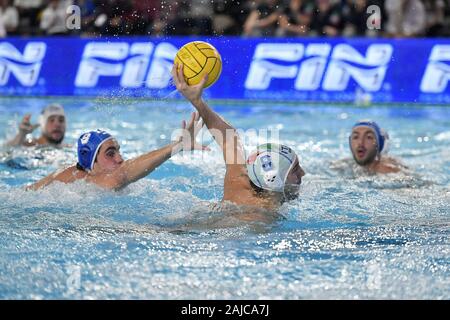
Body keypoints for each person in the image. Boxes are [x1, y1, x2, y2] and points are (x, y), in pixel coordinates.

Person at [172, 63, 305, 220]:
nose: (303, 173)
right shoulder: (260, 217)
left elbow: (229, 137)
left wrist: (197, 101)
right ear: (273, 179)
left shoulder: (240, 180)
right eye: (295, 170)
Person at [27, 112, 208, 191]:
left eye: (118, 151)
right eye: (110, 153)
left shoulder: (69, 175)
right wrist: (175, 146)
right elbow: (123, 174)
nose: (120, 159)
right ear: (91, 163)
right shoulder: (86, 181)